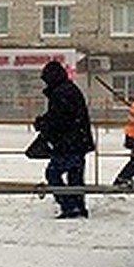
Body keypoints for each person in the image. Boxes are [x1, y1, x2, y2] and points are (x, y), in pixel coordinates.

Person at [33, 59, 95, 219]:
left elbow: (59, 120)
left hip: (68, 143)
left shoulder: (61, 93)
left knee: (53, 174)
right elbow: (64, 116)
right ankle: (79, 207)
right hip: (79, 142)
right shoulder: (69, 89)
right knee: (75, 177)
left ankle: (69, 206)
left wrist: (43, 125)